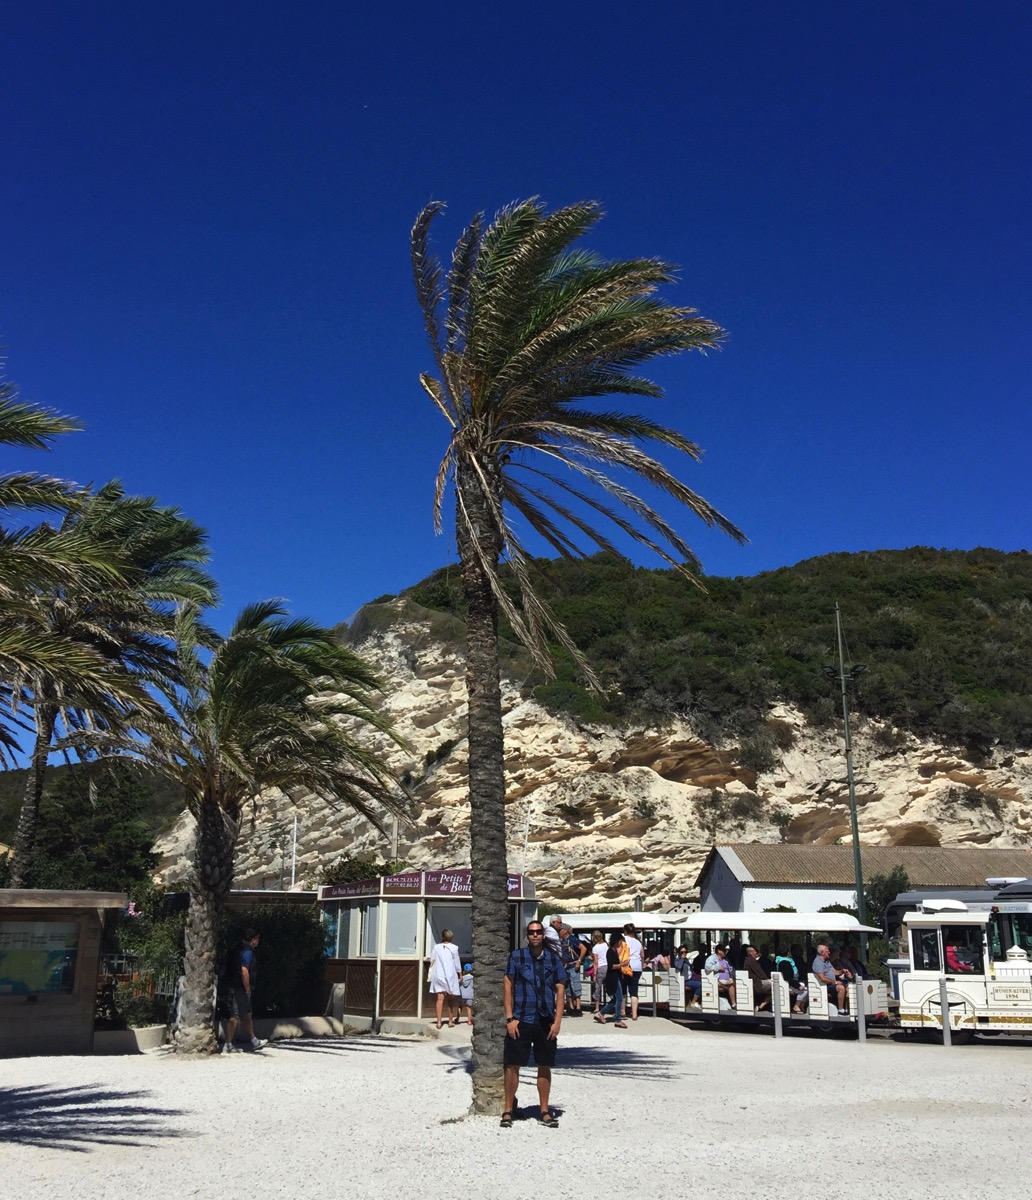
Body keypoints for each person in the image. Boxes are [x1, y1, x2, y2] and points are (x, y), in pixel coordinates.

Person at [502, 920, 566, 1128]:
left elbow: (560, 990)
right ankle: (508, 1110)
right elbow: (508, 985)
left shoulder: (553, 959)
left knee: (544, 1064)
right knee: (513, 1065)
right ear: (527, 935)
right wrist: (510, 1018)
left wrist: (557, 1021)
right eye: (531, 932)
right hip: (521, 1018)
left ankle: (544, 1111)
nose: (535, 935)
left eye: (538, 932)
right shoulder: (517, 956)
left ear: (543, 935)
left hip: (545, 1019)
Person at [222, 928, 268, 1052]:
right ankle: (228, 1043)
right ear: (253, 939)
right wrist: (247, 988)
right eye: (258, 938)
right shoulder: (247, 952)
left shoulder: (239, 948)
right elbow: (244, 971)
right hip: (240, 988)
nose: (259, 941)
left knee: (248, 1014)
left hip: (238, 986)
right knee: (236, 1016)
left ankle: (254, 1040)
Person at [428, 928, 462, 1029]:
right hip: (450, 974)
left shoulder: (436, 947)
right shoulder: (454, 948)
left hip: (439, 974)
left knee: (440, 999)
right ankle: (450, 1021)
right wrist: (460, 974)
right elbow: (456, 962)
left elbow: (432, 960)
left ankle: (439, 1022)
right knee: (451, 999)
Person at [601, 930, 629, 1026]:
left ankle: (602, 1013)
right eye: (620, 941)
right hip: (612, 977)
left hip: (616, 976)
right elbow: (611, 966)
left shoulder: (614, 951)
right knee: (619, 998)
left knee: (616, 999)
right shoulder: (610, 952)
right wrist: (622, 964)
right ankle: (617, 1019)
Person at [558, 925, 586, 1015]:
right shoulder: (560, 941)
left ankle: (578, 1007)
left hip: (573, 965)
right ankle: (570, 1007)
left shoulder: (573, 939)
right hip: (565, 966)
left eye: (560, 930)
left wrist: (579, 961)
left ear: (565, 931)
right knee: (567, 987)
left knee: (576, 985)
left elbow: (583, 948)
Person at [813, 943, 848, 1014]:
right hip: (824, 986)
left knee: (848, 987)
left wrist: (842, 971)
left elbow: (834, 972)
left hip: (831, 984)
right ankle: (840, 1010)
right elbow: (822, 978)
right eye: (827, 951)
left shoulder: (827, 961)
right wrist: (835, 982)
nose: (829, 952)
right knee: (840, 988)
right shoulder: (818, 963)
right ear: (822, 952)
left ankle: (847, 1009)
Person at [623, 923, 645, 1021]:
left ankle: (623, 1011)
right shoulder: (638, 942)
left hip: (626, 966)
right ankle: (634, 1014)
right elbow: (642, 955)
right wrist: (642, 965)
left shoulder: (623, 940)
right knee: (634, 991)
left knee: (623, 989)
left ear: (625, 931)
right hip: (637, 967)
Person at [742, 945, 772, 1010]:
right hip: (756, 983)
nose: (757, 953)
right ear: (751, 953)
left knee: (773, 988)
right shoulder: (751, 961)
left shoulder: (748, 960)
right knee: (775, 985)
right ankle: (761, 1006)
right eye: (755, 951)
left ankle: (760, 1006)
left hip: (753, 982)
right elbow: (760, 973)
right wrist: (767, 979)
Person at [590, 931, 608, 1019]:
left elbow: (596, 962)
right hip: (607, 966)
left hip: (600, 967)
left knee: (598, 987)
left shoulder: (595, 948)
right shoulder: (605, 945)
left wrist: (594, 974)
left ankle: (597, 1007)